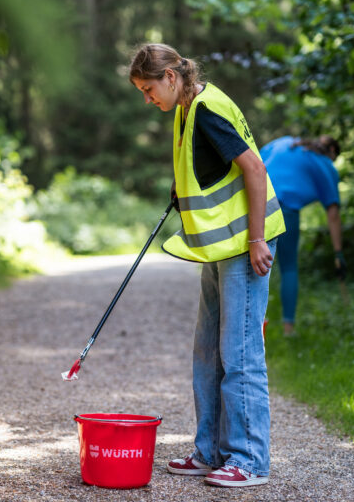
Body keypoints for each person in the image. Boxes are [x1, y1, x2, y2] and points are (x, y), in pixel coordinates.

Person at [129, 43, 285, 488]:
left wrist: (257, 239)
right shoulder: (187, 107)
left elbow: (254, 169)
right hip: (221, 247)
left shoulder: (209, 108)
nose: (148, 99)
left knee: (239, 353)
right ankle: (210, 451)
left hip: (245, 246)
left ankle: (250, 460)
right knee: (207, 350)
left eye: (149, 89)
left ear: (172, 78)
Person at [261, 135, 345, 337]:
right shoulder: (324, 163)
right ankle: (288, 329)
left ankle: (252, 325)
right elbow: (332, 214)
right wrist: (338, 253)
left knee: (254, 266)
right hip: (286, 209)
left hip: (254, 203)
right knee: (289, 268)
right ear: (332, 152)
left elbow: (255, 162)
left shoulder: (283, 142)